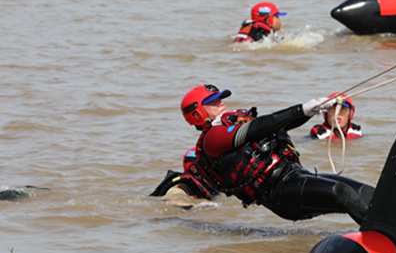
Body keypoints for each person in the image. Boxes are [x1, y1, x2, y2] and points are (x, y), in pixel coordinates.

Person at [180, 84, 373, 224]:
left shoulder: (230, 124)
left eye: (220, 99)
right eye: (212, 102)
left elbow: (280, 124)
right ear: (197, 114)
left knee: (364, 192)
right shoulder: (212, 138)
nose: (221, 103)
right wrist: (301, 109)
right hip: (279, 193)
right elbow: (258, 127)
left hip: (296, 176)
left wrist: (309, 112)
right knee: (341, 192)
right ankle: (383, 236)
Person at [150, 147, 220, 209]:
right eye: (209, 166)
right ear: (194, 169)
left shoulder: (213, 188)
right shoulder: (183, 187)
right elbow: (171, 200)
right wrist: (193, 207)